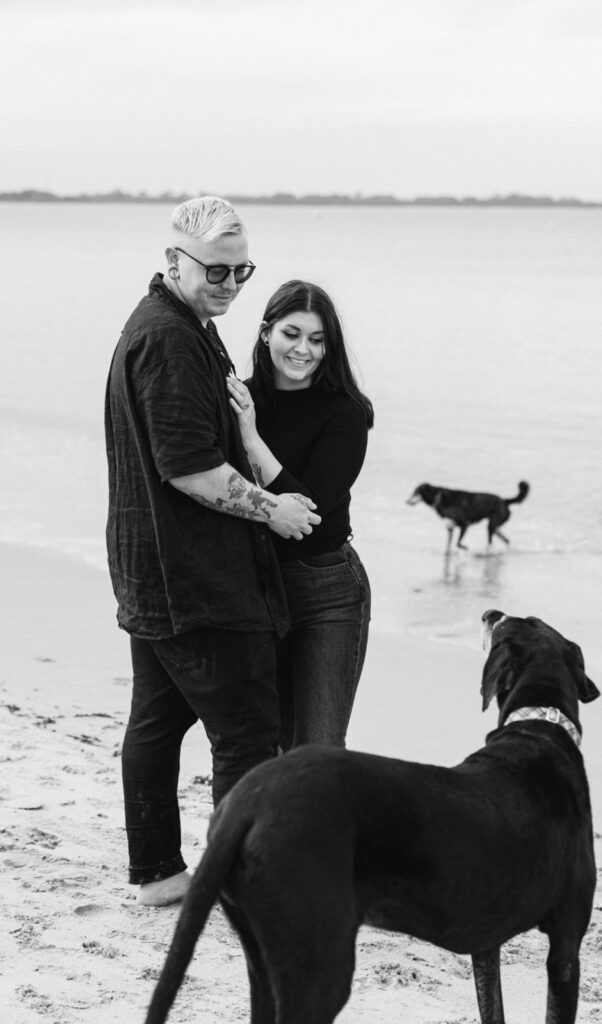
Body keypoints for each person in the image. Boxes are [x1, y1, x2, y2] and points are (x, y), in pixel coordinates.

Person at [105, 198, 320, 907]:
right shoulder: (167, 339)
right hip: (196, 579)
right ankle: (241, 886)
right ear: (173, 262)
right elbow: (190, 467)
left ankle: (160, 875)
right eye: (215, 270)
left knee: (158, 723)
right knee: (247, 738)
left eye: (241, 270)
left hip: (154, 571)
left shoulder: (183, 323)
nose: (230, 283)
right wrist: (275, 510)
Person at [226, 280, 373, 749]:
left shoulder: (347, 412)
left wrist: (251, 440)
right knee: (262, 741)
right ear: (267, 333)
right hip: (254, 588)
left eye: (317, 339)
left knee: (317, 749)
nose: (303, 350)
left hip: (326, 589)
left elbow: (306, 512)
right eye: (292, 334)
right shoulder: (239, 398)